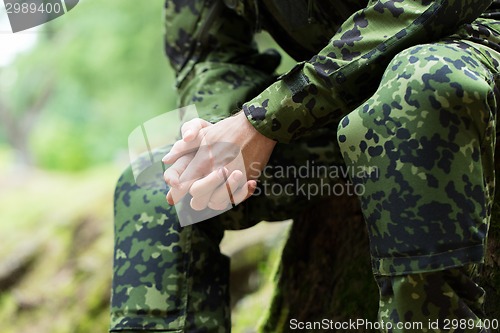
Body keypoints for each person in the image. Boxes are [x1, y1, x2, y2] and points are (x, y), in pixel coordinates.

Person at [109, 0, 500, 331]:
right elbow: (209, 54)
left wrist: (266, 116)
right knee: (158, 184)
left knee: (418, 87)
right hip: (330, 100)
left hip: (466, 49)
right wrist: (217, 133)